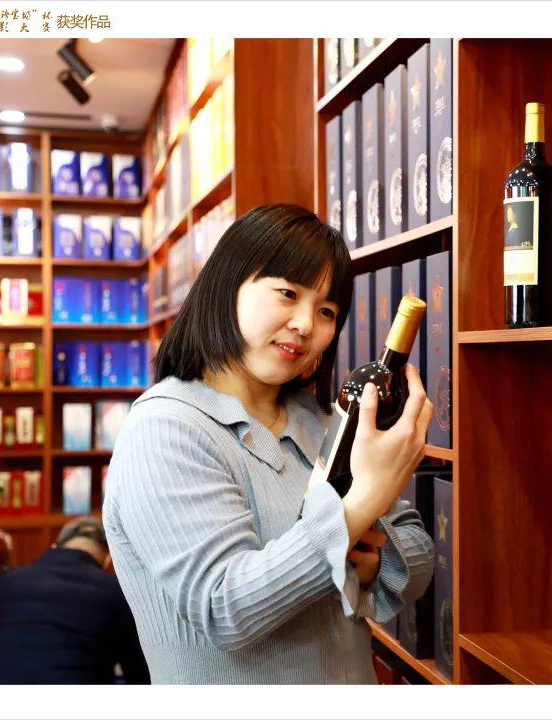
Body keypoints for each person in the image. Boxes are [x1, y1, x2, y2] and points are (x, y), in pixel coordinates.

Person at [103, 203, 435, 683]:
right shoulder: (165, 430)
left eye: (326, 311)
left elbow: (419, 555)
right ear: (228, 282)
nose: (305, 325)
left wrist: (372, 561)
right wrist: (357, 511)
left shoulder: (321, 420)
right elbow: (225, 608)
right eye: (287, 293)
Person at [0, 517, 149, 684]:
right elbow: (140, 674)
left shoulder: (4, 583)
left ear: (54, 546)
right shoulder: (118, 591)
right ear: (108, 560)